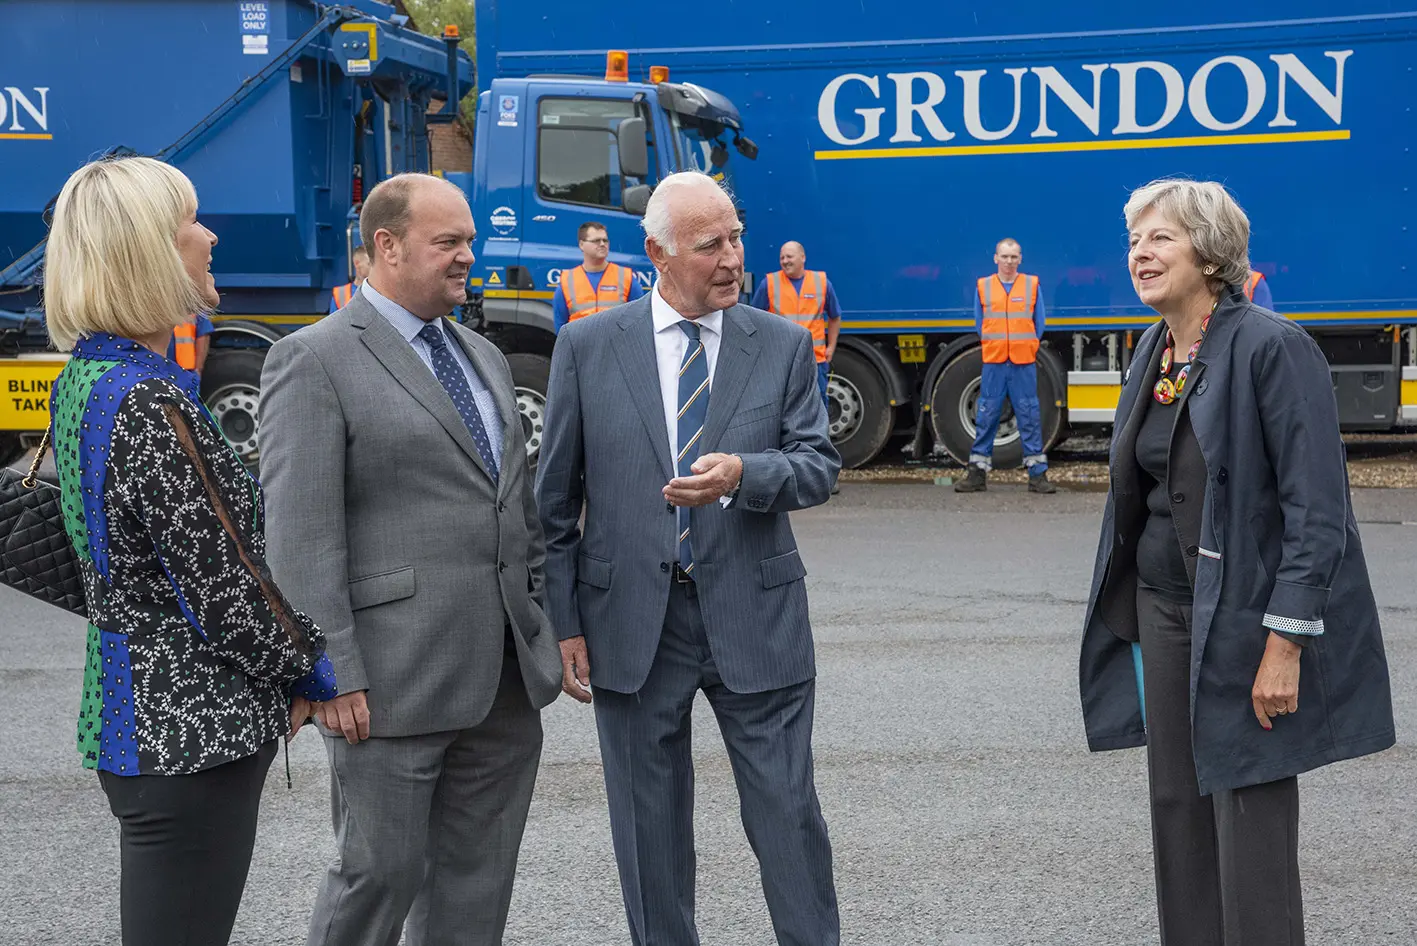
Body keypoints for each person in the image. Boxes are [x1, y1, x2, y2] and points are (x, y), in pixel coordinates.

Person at [1079, 178, 1395, 946]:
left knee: (1248, 819)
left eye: (1159, 238)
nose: (1139, 254)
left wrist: (1284, 643)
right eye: (1132, 241)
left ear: (1209, 253)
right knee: (1177, 809)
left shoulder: (1271, 347)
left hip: (1247, 620)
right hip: (1162, 609)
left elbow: (1317, 510)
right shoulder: (1153, 350)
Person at [536, 170, 842, 945]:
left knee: (786, 818)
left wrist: (747, 473)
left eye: (736, 237)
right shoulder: (586, 346)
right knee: (648, 834)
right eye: (711, 245)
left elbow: (817, 465)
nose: (734, 258)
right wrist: (564, 622)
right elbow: (553, 504)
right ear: (657, 254)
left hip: (755, 612)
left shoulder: (780, 343)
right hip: (632, 623)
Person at [259, 172, 563, 946]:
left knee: (477, 884)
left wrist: (539, 619)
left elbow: (513, 506)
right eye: (449, 242)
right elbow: (300, 534)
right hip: (388, 684)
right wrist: (327, 670)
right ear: (385, 247)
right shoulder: (313, 359)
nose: (469, 256)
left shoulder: (483, 356)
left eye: (469, 240)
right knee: (379, 873)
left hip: (501, 679)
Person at [41, 155, 336, 946]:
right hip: (184, 732)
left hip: (132, 714)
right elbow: (224, 586)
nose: (208, 236)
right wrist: (310, 665)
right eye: (189, 223)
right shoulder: (146, 398)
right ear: (146, 251)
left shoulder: (90, 376)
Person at [955, 238, 1056, 494]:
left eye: (1014, 257)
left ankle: (1037, 476)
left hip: (1022, 362)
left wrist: (1026, 345)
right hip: (995, 362)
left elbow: (1039, 322)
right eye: (1005, 256)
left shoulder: (1031, 285)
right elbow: (981, 324)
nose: (1009, 261)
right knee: (987, 415)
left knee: (1029, 416)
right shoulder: (984, 286)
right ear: (995, 258)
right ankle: (976, 474)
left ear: (1020, 259)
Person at [750, 240, 842, 410]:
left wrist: (831, 346)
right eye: (782, 257)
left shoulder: (821, 283)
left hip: (814, 360)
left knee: (818, 406)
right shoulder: (769, 284)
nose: (785, 261)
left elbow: (835, 316)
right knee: (783, 409)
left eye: (789, 256)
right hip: (780, 362)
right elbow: (753, 320)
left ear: (803, 258)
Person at [552, 221, 644, 331]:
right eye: (596, 241)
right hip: (581, 346)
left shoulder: (625, 277)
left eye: (605, 240)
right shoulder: (567, 281)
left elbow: (639, 318)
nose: (602, 244)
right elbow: (560, 327)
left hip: (616, 345)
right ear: (581, 245)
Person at [329, 244, 370, 312]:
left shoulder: (382, 292)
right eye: (369, 264)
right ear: (357, 264)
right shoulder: (340, 294)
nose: (374, 268)